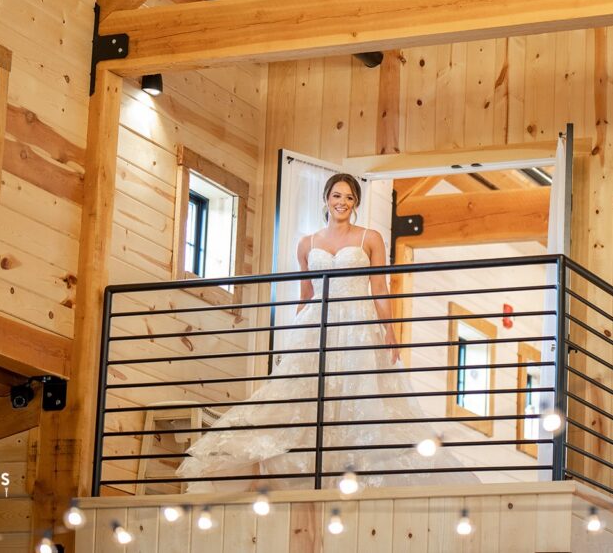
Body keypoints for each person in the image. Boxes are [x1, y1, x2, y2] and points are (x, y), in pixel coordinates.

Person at [175, 173, 473, 491]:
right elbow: (306, 295)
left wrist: (390, 329)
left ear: (355, 202)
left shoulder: (369, 238)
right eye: (336, 196)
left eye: (348, 197)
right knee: (299, 397)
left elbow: (379, 289)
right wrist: (292, 338)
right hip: (317, 325)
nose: (342, 202)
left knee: (358, 396)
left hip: (357, 324)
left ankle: (355, 470)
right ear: (326, 199)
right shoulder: (307, 244)